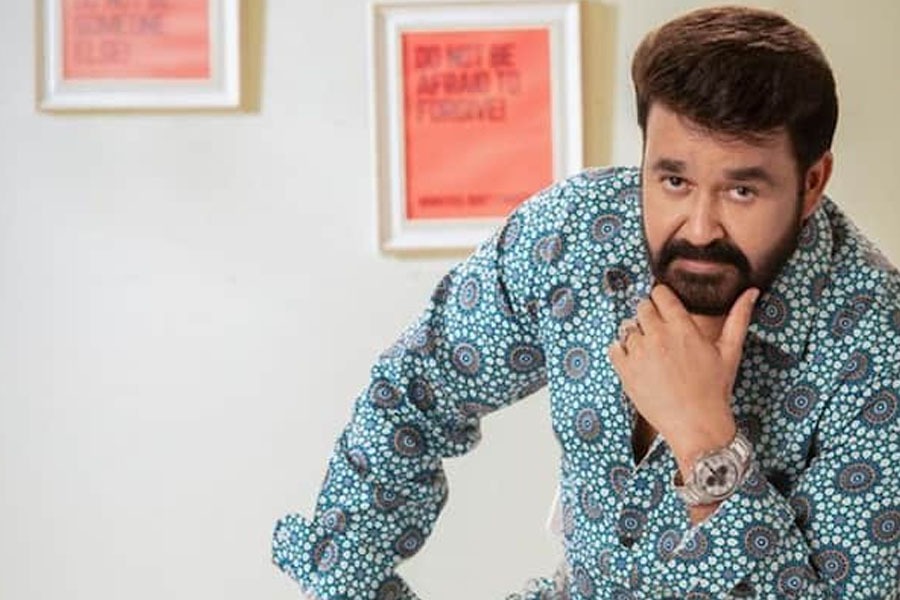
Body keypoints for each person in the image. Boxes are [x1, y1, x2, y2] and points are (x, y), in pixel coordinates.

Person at [272, 6, 900, 598]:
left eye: (741, 191)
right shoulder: (575, 236)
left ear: (811, 182)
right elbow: (419, 389)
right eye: (673, 180)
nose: (699, 228)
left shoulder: (876, 342)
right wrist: (348, 578)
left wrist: (704, 439)